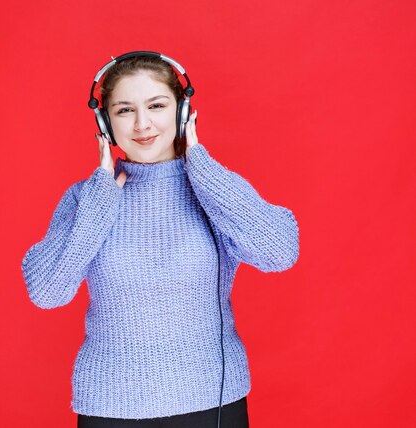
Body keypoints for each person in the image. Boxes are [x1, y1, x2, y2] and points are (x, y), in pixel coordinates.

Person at [21, 52, 300, 428]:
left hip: (212, 401)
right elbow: (48, 292)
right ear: (105, 124)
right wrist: (101, 201)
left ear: (183, 112)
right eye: (123, 110)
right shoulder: (85, 199)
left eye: (156, 105)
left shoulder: (213, 189)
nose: (142, 124)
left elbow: (279, 252)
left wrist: (200, 165)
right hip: (111, 405)